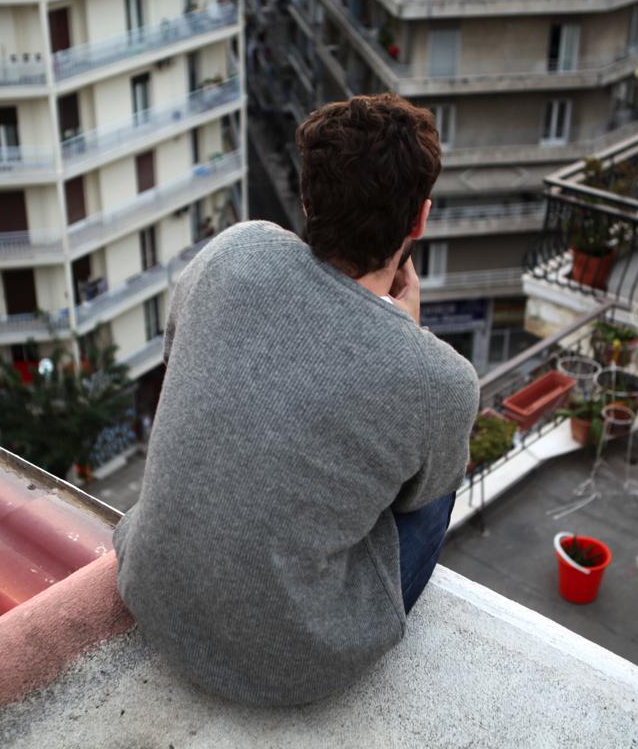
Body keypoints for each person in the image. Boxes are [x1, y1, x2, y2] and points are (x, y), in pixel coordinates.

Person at [114, 93, 480, 706]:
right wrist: (405, 338)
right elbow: (417, 498)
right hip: (290, 667)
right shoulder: (440, 378)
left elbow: (179, 357)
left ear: (308, 199)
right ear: (419, 221)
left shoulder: (235, 250)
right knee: (437, 475)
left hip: (147, 588)